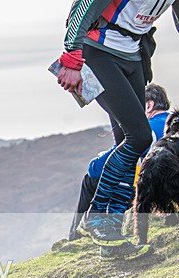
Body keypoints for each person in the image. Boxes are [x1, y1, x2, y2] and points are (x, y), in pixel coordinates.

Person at [56, 0, 179, 258]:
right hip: (99, 52)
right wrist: (71, 59)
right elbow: (84, 8)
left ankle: (110, 241)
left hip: (133, 55)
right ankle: (96, 217)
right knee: (140, 137)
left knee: (126, 141)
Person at [68, 83, 172, 241]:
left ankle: (76, 236)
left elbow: (96, 169)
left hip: (150, 191)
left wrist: (108, 156)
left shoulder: (145, 128)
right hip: (170, 187)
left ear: (149, 105)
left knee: (91, 179)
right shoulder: (172, 124)